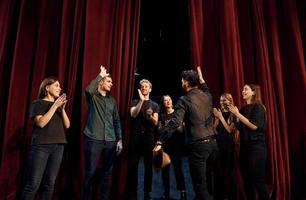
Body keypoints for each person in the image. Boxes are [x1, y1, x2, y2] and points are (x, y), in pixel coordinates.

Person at [155, 66, 218, 200]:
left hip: (198, 148)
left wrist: (160, 140)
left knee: (200, 188)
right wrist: (201, 80)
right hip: (213, 146)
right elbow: (206, 88)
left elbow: (175, 122)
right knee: (209, 185)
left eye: (182, 80)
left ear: (187, 82)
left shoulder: (184, 100)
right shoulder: (207, 95)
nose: (181, 83)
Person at [21, 77, 70, 200]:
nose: (60, 88)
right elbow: (41, 123)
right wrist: (55, 106)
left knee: (50, 184)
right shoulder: (37, 103)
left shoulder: (58, 106)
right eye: (57, 85)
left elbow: (67, 125)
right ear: (47, 88)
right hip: (41, 147)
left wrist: (62, 110)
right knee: (33, 183)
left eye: (59, 86)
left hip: (58, 147)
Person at [82, 66, 123, 200]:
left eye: (111, 82)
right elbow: (88, 90)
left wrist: (119, 139)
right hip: (94, 139)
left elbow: (116, 121)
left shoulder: (112, 101)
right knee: (90, 172)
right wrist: (100, 75)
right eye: (109, 81)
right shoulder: (93, 97)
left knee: (107, 173)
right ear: (101, 83)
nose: (112, 83)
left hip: (110, 140)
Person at [228, 84, 269, 200]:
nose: (242, 91)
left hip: (257, 148)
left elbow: (255, 126)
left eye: (246, 89)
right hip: (245, 149)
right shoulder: (242, 109)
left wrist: (238, 115)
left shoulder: (259, 107)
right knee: (247, 181)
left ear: (253, 92)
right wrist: (229, 116)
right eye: (242, 89)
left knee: (258, 181)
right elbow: (234, 129)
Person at [127, 79, 159, 200]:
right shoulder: (134, 101)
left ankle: (147, 192)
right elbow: (133, 114)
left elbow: (155, 122)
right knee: (133, 166)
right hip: (135, 137)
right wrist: (141, 101)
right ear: (140, 89)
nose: (144, 88)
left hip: (148, 138)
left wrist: (150, 116)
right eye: (142, 86)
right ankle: (133, 193)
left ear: (150, 89)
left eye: (146, 86)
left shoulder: (155, 105)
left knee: (147, 167)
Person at [158, 95, 186, 200]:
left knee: (178, 169)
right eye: (165, 100)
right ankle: (166, 193)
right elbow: (159, 130)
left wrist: (169, 127)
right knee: (165, 171)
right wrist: (171, 126)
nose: (168, 101)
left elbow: (180, 130)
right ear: (163, 103)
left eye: (169, 99)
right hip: (165, 146)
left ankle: (183, 193)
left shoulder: (177, 114)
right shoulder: (162, 115)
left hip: (176, 146)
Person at [213, 93, 238, 200]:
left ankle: (232, 196)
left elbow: (230, 130)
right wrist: (216, 119)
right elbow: (214, 130)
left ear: (230, 100)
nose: (221, 102)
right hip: (219, 146)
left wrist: (220, 117)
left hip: (229, 147)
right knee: (219, 173)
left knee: (229, 174)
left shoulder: (234, 112)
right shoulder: (220, 113)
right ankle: (221, 196)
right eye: (220, 100)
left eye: (224, 100)